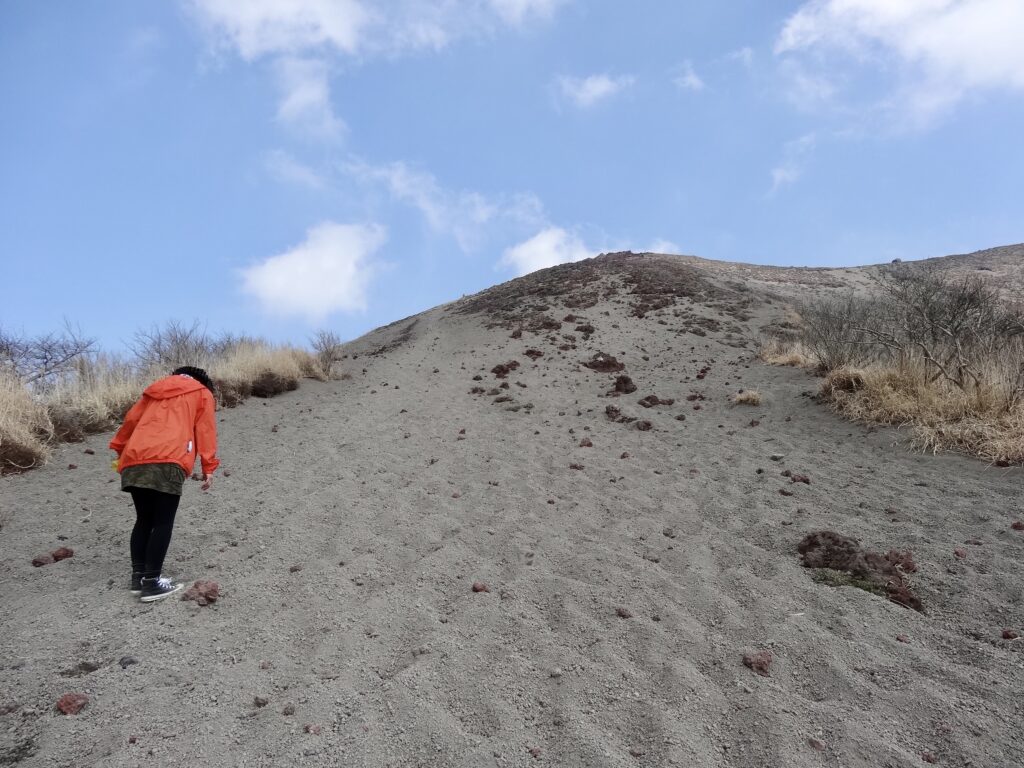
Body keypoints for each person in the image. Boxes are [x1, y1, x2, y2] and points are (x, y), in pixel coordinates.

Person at [110, 366, 219, 602]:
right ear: (203, 381)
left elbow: (130, 421)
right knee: (162, 521)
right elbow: (206, 431)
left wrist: (119, 449)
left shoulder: (153, 391)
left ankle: (138, 578)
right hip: (169, 459)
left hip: (134, 460)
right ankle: (152, 583)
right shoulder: (201, 393)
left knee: (143, 519)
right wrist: (208, 467)